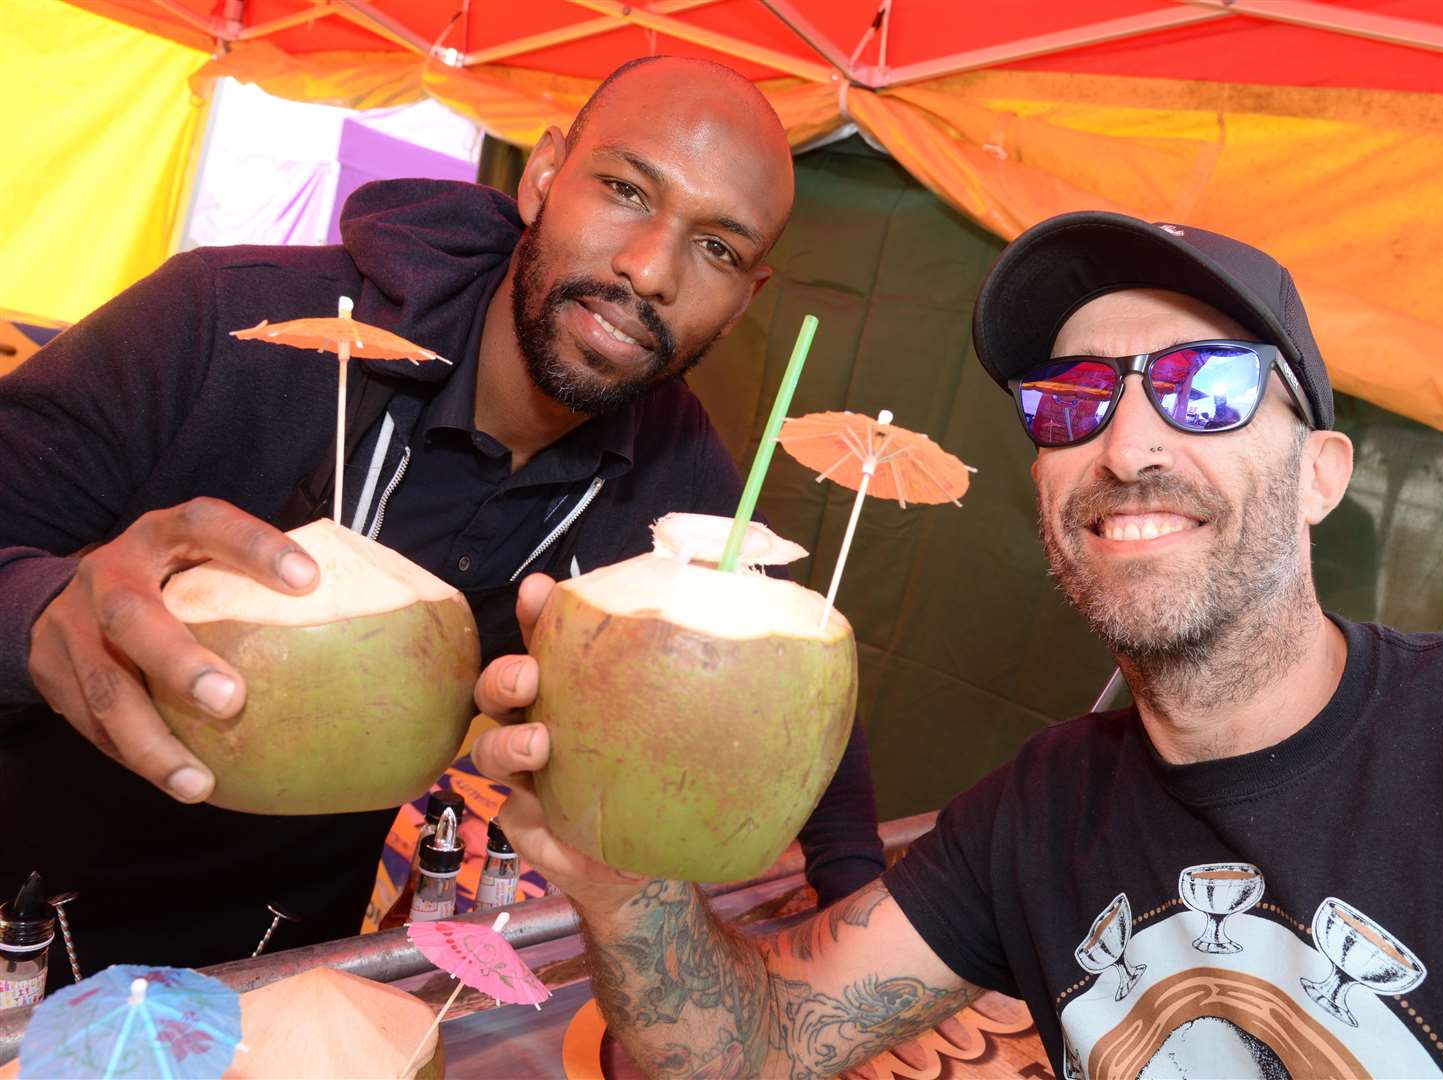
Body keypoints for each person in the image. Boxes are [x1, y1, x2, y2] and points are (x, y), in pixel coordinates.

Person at [472, 211, 1443, 1079]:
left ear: (1322, 474)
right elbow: (752, 1046)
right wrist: (614, 879)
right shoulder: (1041, 809)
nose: (1126, 446)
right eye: (1071, 400)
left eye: (1204, 388)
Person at [0, 56, 884, 982]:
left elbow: (793, 672)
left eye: (718, 249)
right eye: (625, 189)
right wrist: (45, 607)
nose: (649, 269)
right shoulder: (224, 316)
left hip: (285, 949)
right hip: (23, 888)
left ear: (748, 297)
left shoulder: (680, 478)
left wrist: (856, 904)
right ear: (542, 177)